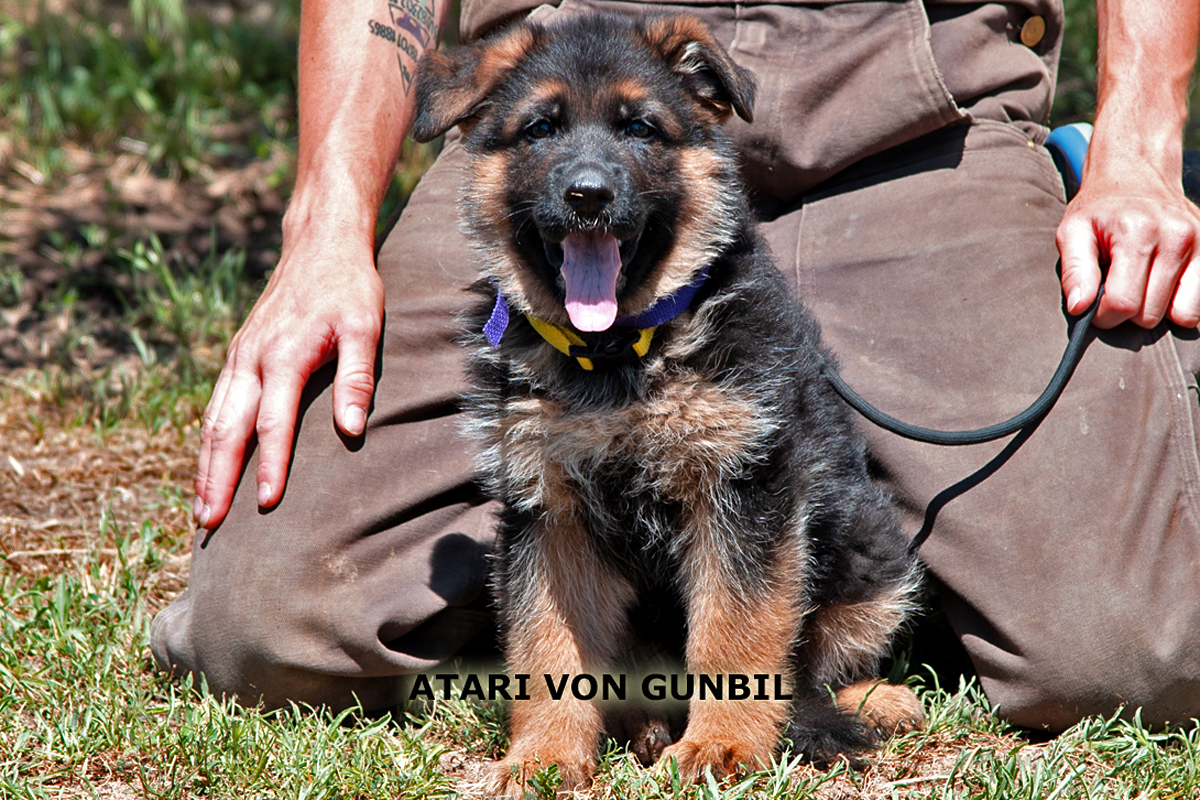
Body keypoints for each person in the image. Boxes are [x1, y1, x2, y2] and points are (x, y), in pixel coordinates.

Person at [152, 0, 1200, 732]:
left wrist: (1140, 151)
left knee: (1129, 658)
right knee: (267, 634)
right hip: (558, 61)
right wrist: (327, 224)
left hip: (922, 113)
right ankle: (616, 649)